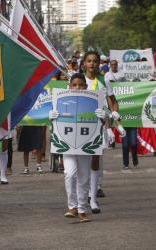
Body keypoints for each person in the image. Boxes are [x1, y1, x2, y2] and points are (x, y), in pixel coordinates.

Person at [49, 73, 107, 223]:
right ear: (69, 87)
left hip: (84, 146)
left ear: (86, 87)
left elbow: (100, 124)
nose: (78, 87)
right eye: (74, 85)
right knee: (69, 173)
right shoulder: (61, 102)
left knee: (84, 177)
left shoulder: (93, 102)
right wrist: (53, 117)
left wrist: (103, 117)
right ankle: (72, 207)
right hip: (67, 145)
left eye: (81, 85)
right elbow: (54, 126)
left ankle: (82, 209)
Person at [83, 51, 121, 213]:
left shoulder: (103, 80)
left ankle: (92, 198)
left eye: (95, 61)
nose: (92, 64)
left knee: (95, 161)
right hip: (81, 125)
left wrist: (115, 119)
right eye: (89, 61)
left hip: (98, 126)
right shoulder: (78, 80)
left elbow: (112, 102)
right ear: (84, 63)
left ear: (99, 63)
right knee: (82, 163)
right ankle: (82, 194)